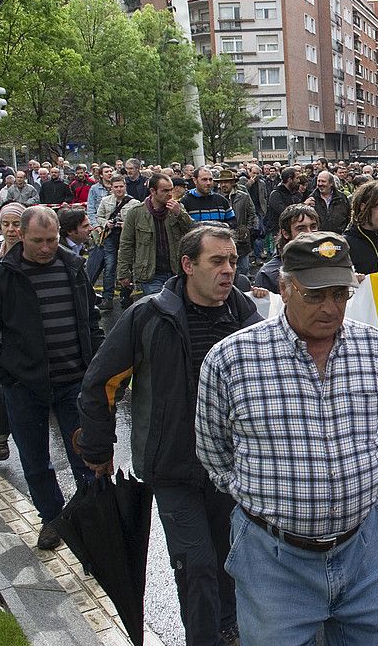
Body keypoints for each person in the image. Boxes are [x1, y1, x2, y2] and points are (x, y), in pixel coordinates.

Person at [196, 232, 378, 646]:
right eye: (315, 295)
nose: (330, 308)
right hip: (274, 562)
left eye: (340, 294)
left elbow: (377, 430)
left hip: (365, 550)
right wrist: (267, 502)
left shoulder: (374, 347)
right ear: (285, 288)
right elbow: (213, 452)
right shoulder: (231, 359)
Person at [78, 226, 259, 646]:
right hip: (172, 467)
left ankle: (226, 625)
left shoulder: (245, 315)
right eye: (217, 261)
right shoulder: (148, 316)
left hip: (232, 468)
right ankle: (204, 638)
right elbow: (102, 382)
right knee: (195, 564)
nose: (229, 270)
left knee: (230, 558)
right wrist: (97, 448)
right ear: (188, 264)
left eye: (232, 261)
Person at [0, 206, 102, 550]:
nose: (46, 248)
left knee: (85, 455)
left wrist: (95, 369)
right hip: (25, 389)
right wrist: (8, 374)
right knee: (35, 460)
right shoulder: (1, 279)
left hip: (73, 382)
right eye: (38, 241)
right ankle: (53, 518)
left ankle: (91, 519)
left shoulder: (73, 268)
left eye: (52, 240)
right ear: (21, 236)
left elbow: (90, 320)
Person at [118, 173, 195, 297]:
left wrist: (179, 214)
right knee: (161, 307)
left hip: (175, 270)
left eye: (171, 189)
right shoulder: (136, 213)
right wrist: (123, 273)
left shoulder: (177, 208)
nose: (170, 194)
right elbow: (126, 244)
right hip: (150, 273)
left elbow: (192, 231)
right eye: (165, 190)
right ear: (153, 191)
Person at [254, 203, 319, 294]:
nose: (309, 233)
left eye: (313, 227)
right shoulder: (268, 274)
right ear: (285, 233)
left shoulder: (326, 264)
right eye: (301, 228)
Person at [94, 175, 137, 310]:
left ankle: (126, 296)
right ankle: (107, 298)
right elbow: (99, 216)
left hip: (127, 239)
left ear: (125, 186)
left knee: (128, 268)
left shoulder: (134, 203)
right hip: (110, 237)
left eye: (121, 186)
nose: (119, 189)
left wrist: (127, 225)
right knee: (110, 267)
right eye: (116, 187)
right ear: (111, 188)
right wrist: (106, 223)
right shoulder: (105, 201)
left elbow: (138, 221)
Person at [218, 168, 258, 278]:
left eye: (226, 182)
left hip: (242, 239)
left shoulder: (243, 196)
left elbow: (252, 213)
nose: (223, 185)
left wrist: (247, 229)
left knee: (243, 268)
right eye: (221, 182)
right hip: (222, 238)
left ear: (233, 182)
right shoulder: (216, 198)